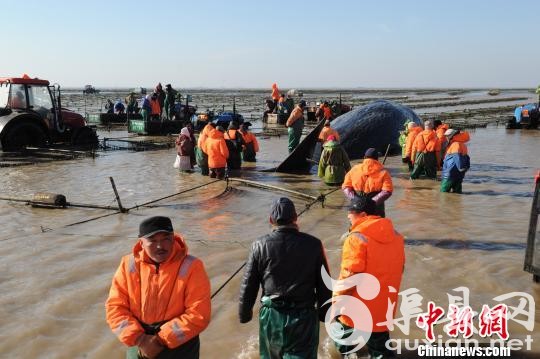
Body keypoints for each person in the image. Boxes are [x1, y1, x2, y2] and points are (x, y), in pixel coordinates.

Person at [105, 216, 211, 359]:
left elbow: (199, 314)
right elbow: (115, 307)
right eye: (152, 241)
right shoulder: (127, 264)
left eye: (166, 239)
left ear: (173, 239)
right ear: (141, 243)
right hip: (139, 343)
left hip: (180, 346)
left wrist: (160, 339)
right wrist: (140, 340)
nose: (160, 246)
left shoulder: (193, 266)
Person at [239, 197, 332, 359]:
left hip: (271, 317)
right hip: (303, 318)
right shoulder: (314, 244)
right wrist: (325, 314)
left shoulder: (259, 245)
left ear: (270, 220)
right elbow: (325, 283)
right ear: (295, 218)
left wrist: (244, 314)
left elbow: (248, 284)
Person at [333, 195, 405, 358]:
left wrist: (337, 301)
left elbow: (350, 275)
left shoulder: (356, 238)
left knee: (342, 339)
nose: (348, 217)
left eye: (351, 214)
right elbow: (400, 268)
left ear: (363, 215)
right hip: (384, 306)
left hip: (357, 307)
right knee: (381, 348)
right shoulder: (397, 237)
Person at [342, 148, 393, 217]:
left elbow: (345, 187)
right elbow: (387, 191)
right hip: (376, 208)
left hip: (357, 206)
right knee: (376, 226)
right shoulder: (384, 172)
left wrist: (354, 198)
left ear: (364, 157)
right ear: (377, 159)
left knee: (357, 226)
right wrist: (373, 201)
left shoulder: (354, 169)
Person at [441, 129, 471, 193]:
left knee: (443, 194)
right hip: (459, 175)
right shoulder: (462, 145)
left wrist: (460, 168)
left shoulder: (455, 144)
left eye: (447, 136)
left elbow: (457, 157)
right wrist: (464, 169)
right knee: (457, 194)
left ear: (452, 136)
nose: (446, 137)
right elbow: (467, 158)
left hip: (450, 174)